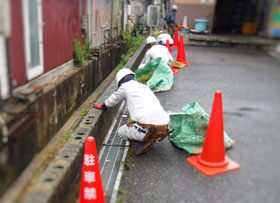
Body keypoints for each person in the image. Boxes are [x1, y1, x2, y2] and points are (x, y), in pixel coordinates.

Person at [94, 68, 171, 155]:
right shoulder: (144, 86)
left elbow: (114, 98)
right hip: (165, 126)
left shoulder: (125, 87)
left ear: (120, 82)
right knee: (142, 119)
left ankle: (144, 141)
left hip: (148, 129)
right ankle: (151, 135)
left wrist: (103, 105)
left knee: (121, 131)